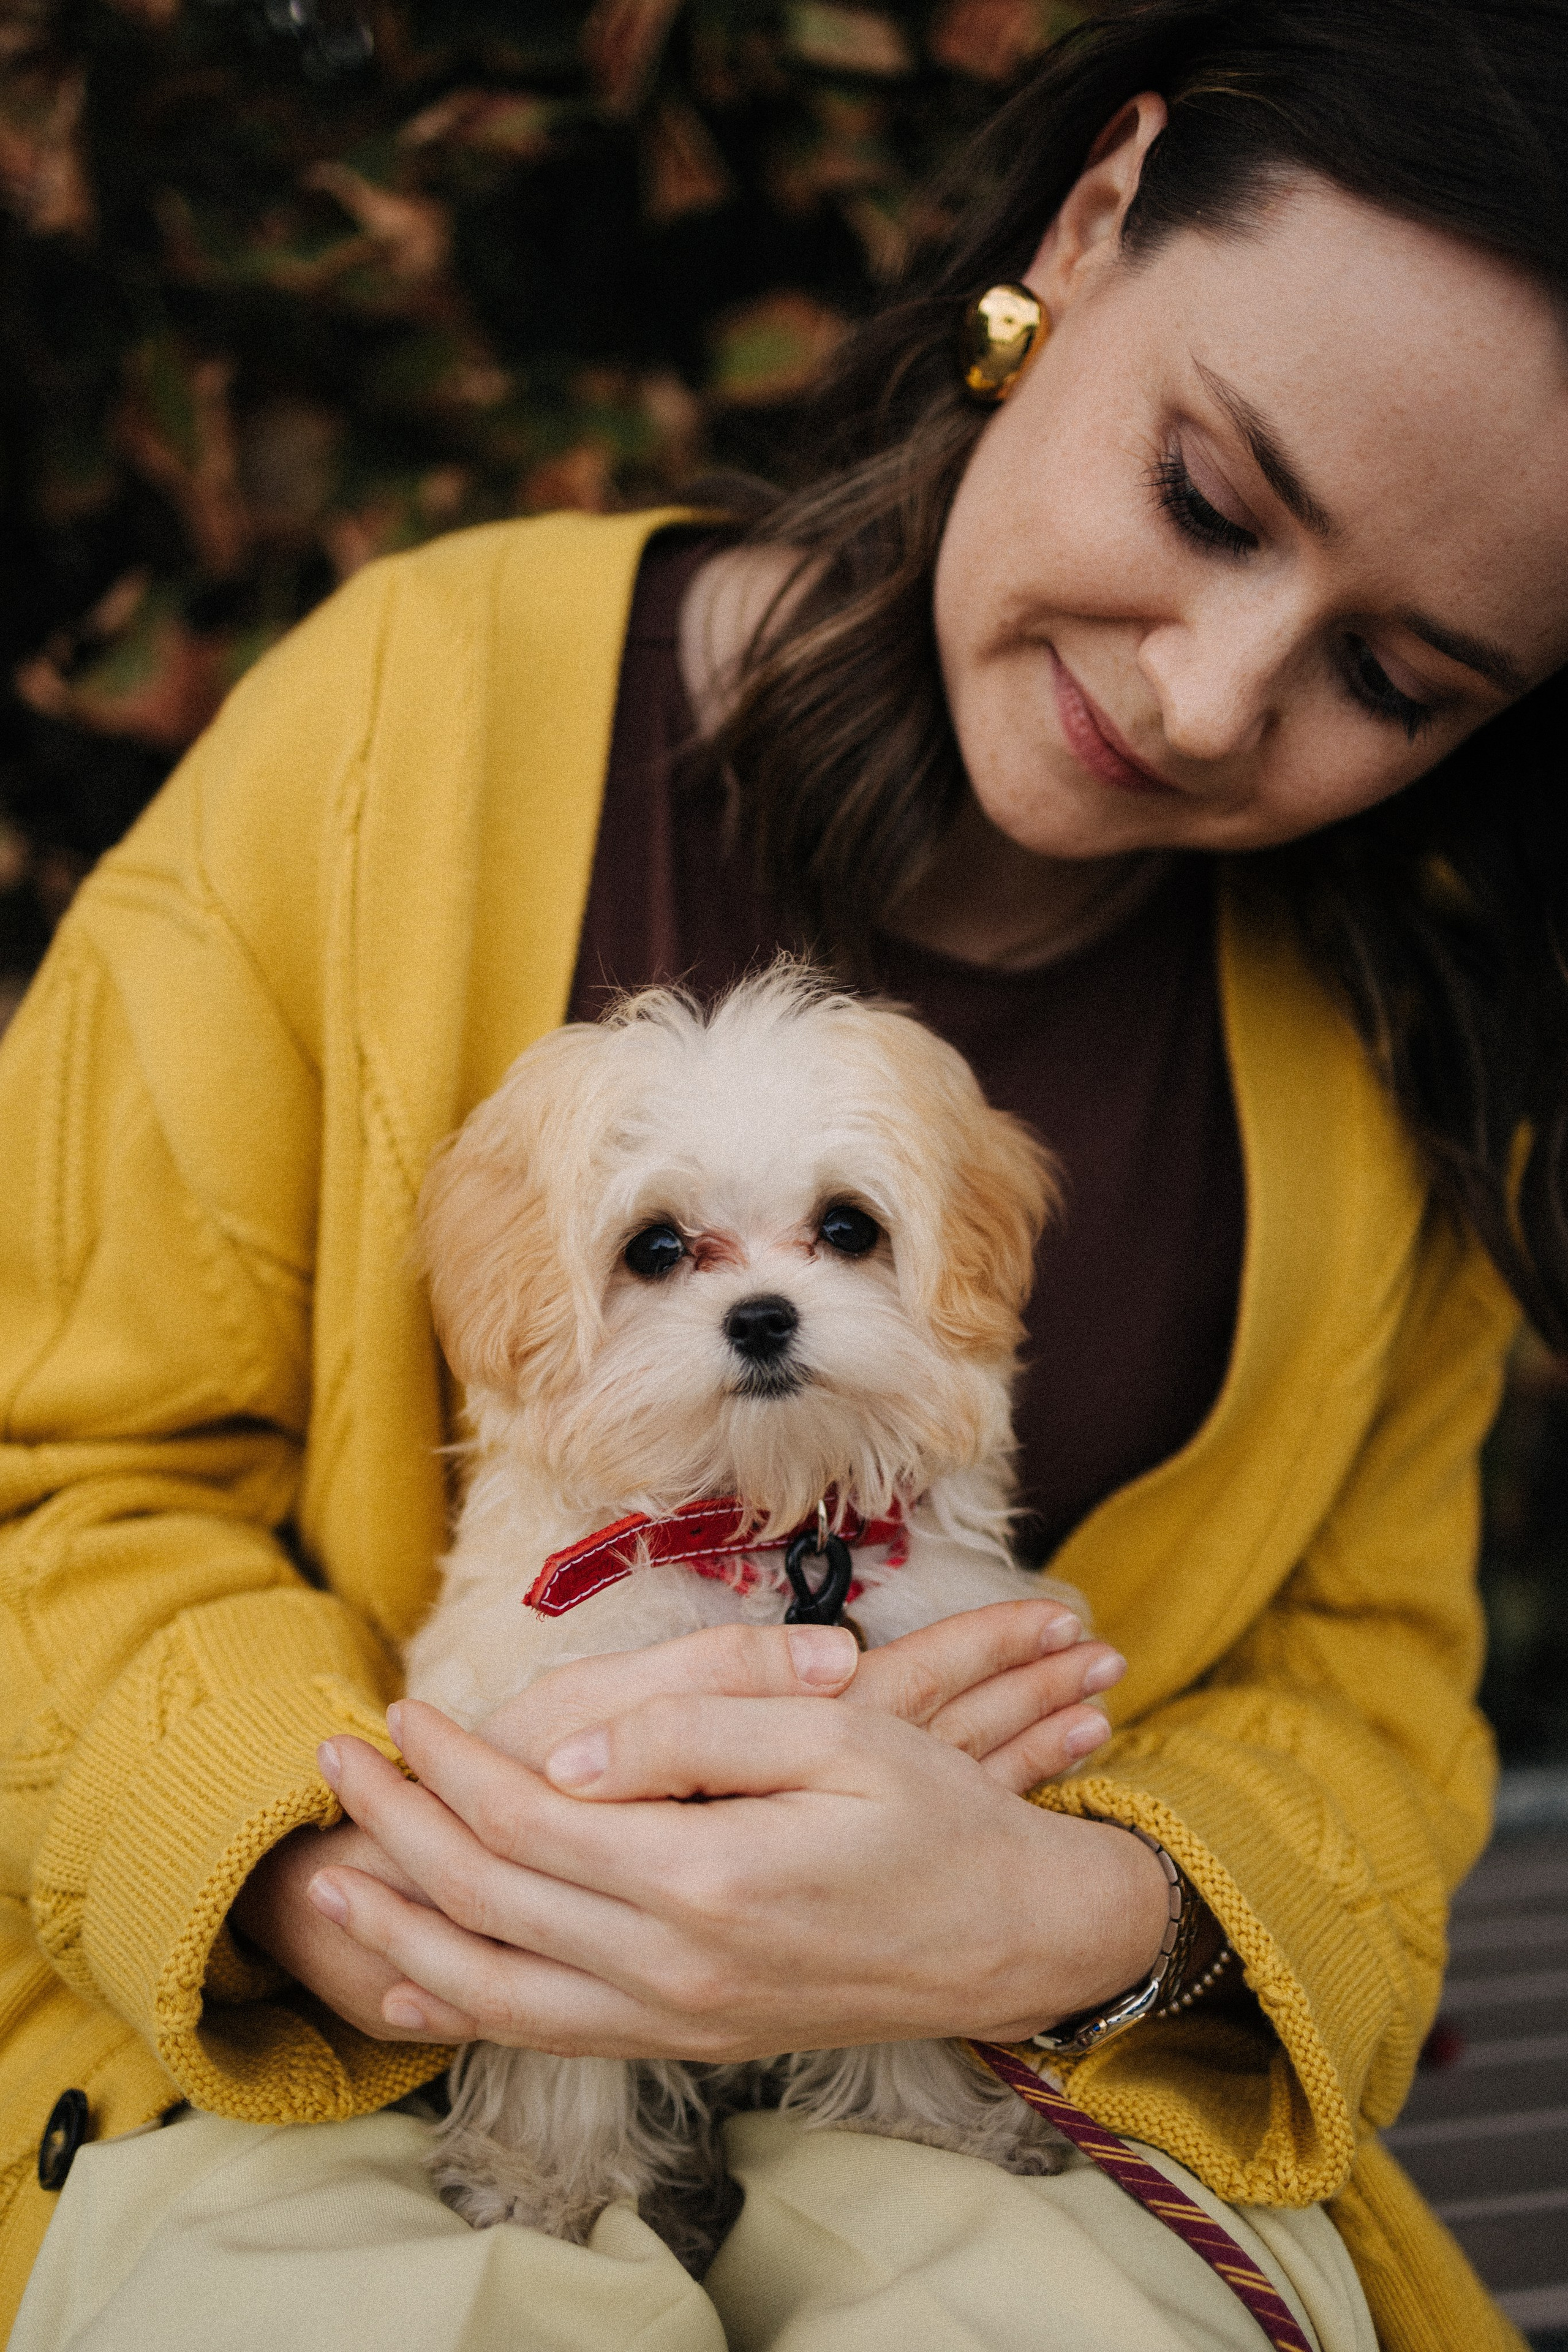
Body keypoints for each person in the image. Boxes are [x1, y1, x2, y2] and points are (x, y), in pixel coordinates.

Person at [2, 1, 1566, 2344]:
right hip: (335, 2072)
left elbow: (1369, 1683)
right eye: (1212, 502)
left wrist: (1084, 1915)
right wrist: (334, 1877)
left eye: (1403, 678)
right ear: (1096, 218)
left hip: (1044, 2099)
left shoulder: (1408, 1053)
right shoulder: (393, 723)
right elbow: (56, 1457)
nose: (1215, 694)